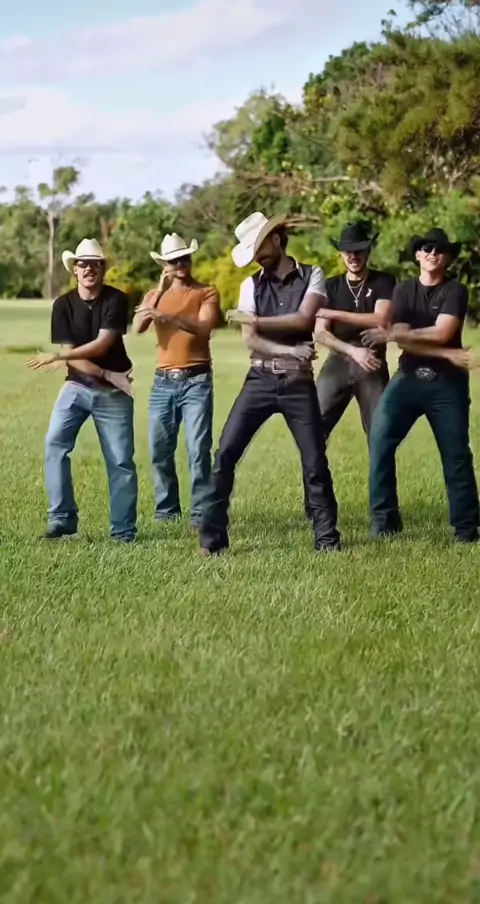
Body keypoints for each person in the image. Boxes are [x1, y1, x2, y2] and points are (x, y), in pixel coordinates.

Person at [198, 211, 340, 556]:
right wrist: (290, 349)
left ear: (276, 239)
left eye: (259, 248)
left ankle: (327, 540)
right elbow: (251, 341)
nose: (257, 257)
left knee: (314, 461)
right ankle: (212, 541)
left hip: (298, 382)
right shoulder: (250, 285)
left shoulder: (312, 275)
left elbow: (304, 319)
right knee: (225, 454)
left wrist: (256, 320)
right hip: (260, 378)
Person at [362, 227, 480, 543]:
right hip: (408, 377)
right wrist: (447, 353)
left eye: (439, 249)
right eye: (426, 248)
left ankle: (467, 529)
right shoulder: (404, 291)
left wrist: (394, 334)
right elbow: (405, 341)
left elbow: (442, 332)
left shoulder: (455, 290)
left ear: (448, 258)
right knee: (380, 440)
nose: (432, 253)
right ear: (417, 255)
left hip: (447, 383)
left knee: (456, 453)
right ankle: (385, 522)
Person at [27, 238, 138, 542]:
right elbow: (72, 353)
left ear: (103, 269)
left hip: (114, 394)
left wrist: (59, 357)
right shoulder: (63, 305)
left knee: (120, 460)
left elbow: (102, 344)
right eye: (83, 264)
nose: (89, 269)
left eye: (95, 264)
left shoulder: (116, 300)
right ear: (74, 269)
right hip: (77, 385)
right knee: (54, 443)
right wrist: (108, 374)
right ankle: (61, 520)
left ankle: (123, 532)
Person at [303, 221, 395, 518]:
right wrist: (352, 350)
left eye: (358, 250)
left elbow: (380, 320)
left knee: (380, 438)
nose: (353, 256)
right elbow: (320, 332)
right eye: (347, 251)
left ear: (368, 250)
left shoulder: (384, 281)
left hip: (373, 364)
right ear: (341, 253)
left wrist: (334, 313)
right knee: (313, 432)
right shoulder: (330, 286)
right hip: (339, 361)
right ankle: (316, 508)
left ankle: (384, 516)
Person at [133, 233, 220, 529]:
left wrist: (169, 318)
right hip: (163, 383)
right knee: (159, 451)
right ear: (165, 265)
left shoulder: (206, 292)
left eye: (184, 258)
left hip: (197, 381)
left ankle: (200, 514)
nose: (180, 264)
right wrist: (159, 291)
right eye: (173, 260)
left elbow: (205, 328)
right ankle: (167, 510)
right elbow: (138, 326)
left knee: (198, 451)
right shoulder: (155, 295)